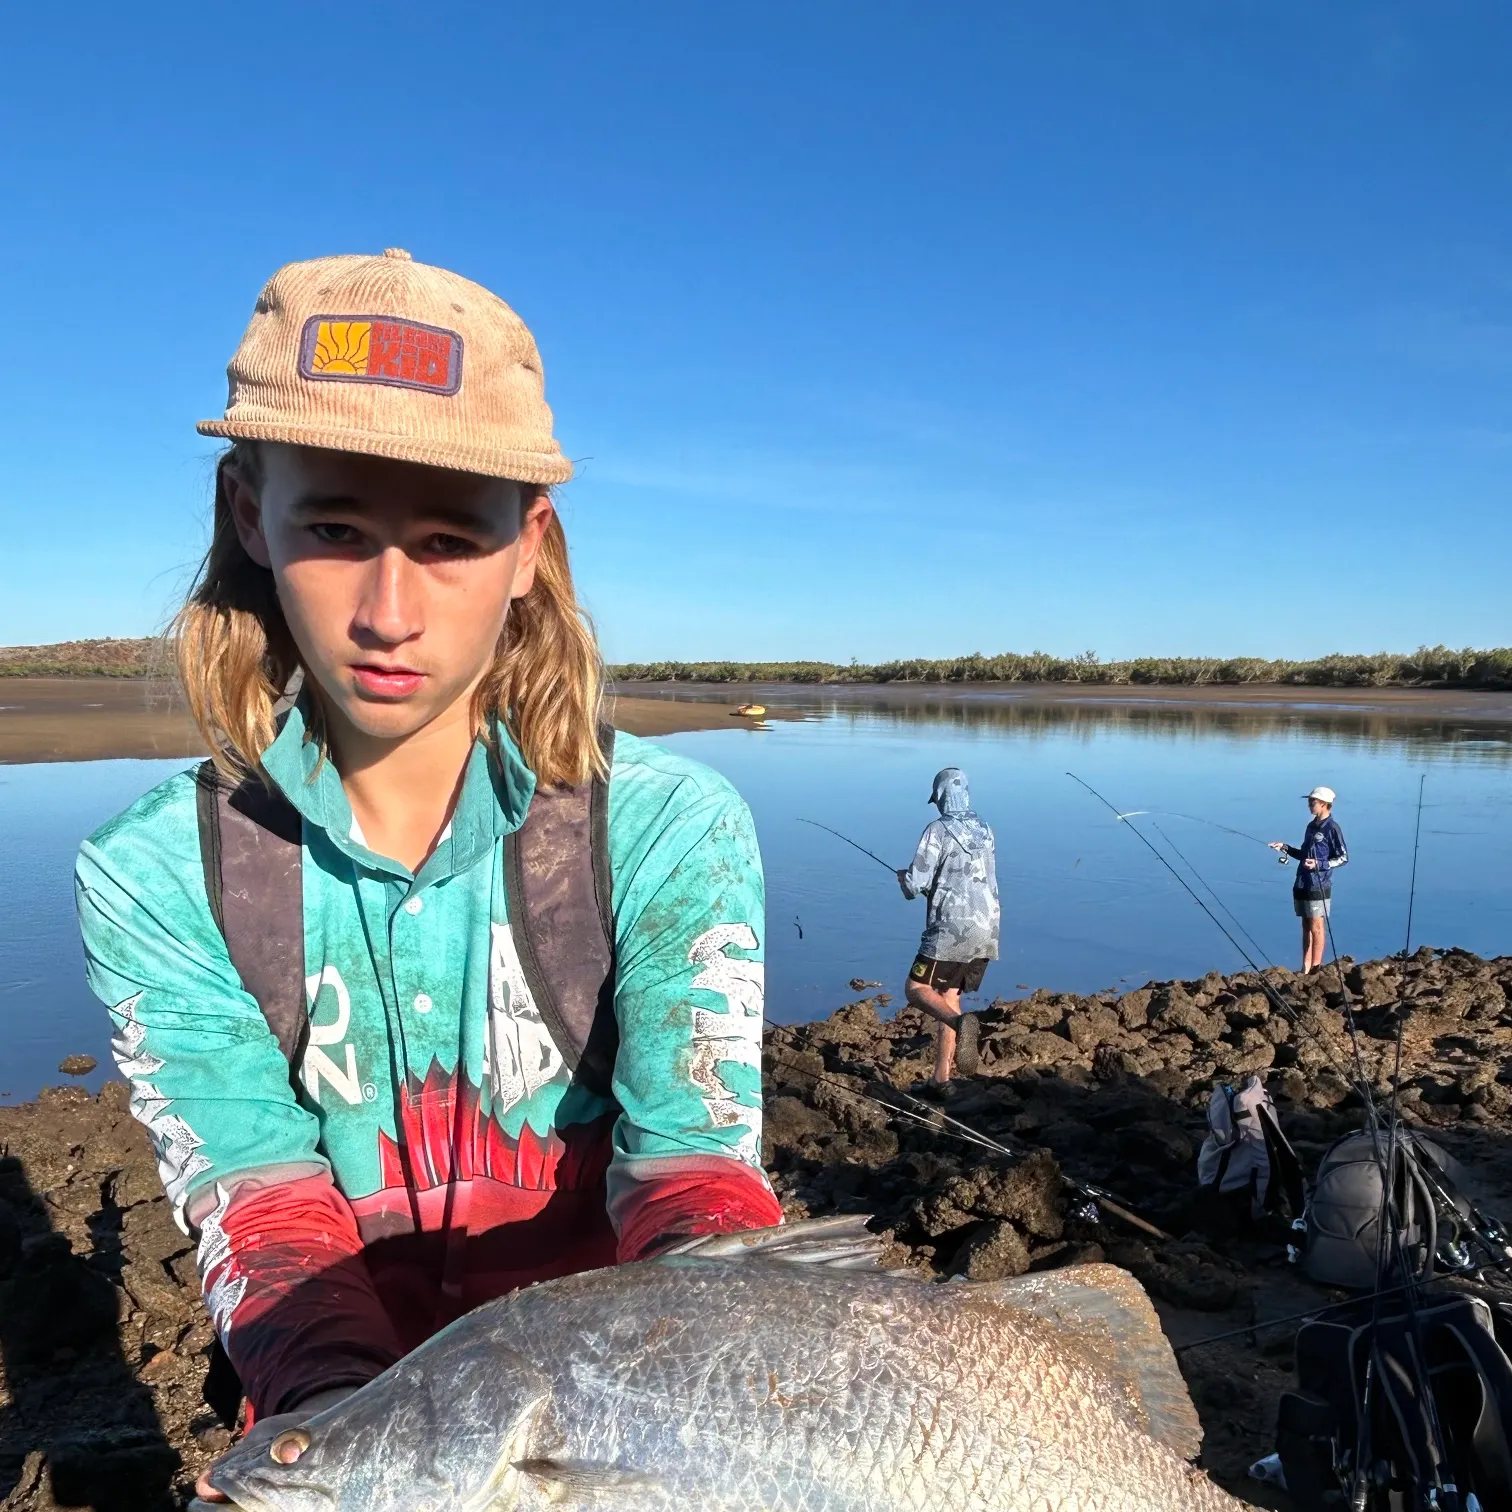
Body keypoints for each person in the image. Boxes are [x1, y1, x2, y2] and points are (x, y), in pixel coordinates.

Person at [74, 250, 780, 1494]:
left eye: (451, 539)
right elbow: (256, 1196)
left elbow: (694, 1174)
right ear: (249, 513)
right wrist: (357, 1448)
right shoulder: (155, 873)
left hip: (620, 1433)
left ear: (529, 544)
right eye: (336, 530)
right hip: (340, 1416)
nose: (388, 612)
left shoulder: (673, 828)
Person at [895, 767, 1000, 1087]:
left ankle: (962, 1024)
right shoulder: (985, 828)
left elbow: (915, 885)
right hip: (988, 929)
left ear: (940, 798)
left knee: (916, 990)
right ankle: (941, 1080)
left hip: (951, 930)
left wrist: (904, 880)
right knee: (948, 994)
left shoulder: (937, 830)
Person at [1269, 785, 1348, 973]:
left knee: (1316, 926)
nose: (1309, 805)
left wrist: (1319, 864)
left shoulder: (1332, 828)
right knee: (1306, 925)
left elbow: (1343, 858)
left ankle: (1315, 968)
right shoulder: (1311, 826)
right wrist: (1285, 847)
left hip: (1319, 884)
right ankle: (1305, 967)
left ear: (1324, 804)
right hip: (1302, 882)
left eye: (1312, 802)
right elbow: (1304, 854)